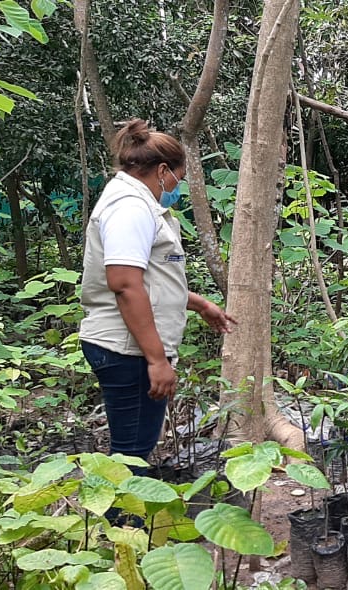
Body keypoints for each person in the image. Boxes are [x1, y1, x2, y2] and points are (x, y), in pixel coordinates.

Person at [79, 119, 236, 474]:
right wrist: (156, 361)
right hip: (127, 349)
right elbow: (124, 284)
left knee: (134, 444)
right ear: (163, 171)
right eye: (178, 179)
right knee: (132, 452)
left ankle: (121, 522)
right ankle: (125, 525)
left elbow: (150, 280)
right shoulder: (130, 209)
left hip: (128, 347)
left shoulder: (135, 203)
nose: (176, 188)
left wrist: (199, 304)